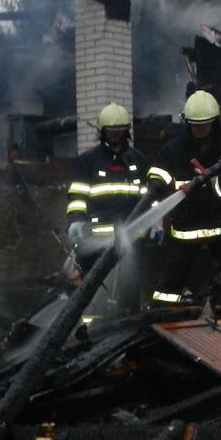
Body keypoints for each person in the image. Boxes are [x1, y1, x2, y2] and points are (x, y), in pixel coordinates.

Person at [145, 90, 221, 306]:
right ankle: (158, 314)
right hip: (187, 228)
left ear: (215, 122)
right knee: (171, 282)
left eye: (204, 124)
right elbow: (157, 171)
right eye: (195, 125)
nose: (199, 129)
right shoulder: (174, 150)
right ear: (187, 123)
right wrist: (158, 183)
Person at [65, 103, 149, 313]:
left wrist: (153, 222)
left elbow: (148, 196)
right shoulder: (88, 161)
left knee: (129, 289)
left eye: (119, 130)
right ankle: (89, 327)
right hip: (96, 240)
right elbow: (77, 195)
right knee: (95, 291)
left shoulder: (138, 159)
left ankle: (127, 324)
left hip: (130, 238)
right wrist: (76, 221)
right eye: (111, 131)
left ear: (126, 131)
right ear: (102, 131)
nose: (115, 135)